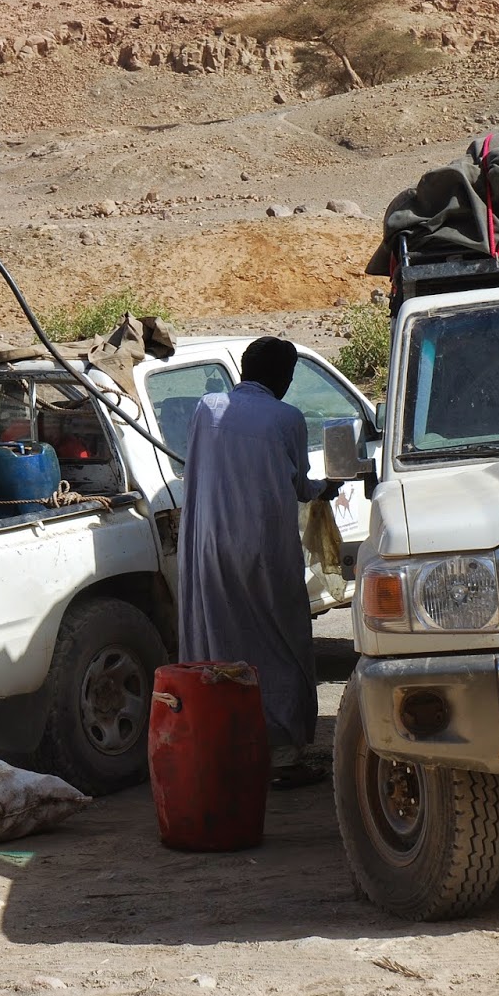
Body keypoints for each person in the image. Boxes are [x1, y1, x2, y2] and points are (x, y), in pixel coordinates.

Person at [177, 337, 341, 789]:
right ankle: (284, 756)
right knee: (281, 645)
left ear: (243, 370)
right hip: (264, 551)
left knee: (220, 641)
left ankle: (222, 746)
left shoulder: (206, 408)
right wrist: (324, 488)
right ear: (285, 379)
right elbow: (295, 483)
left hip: (210, 547)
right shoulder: (286, 417)